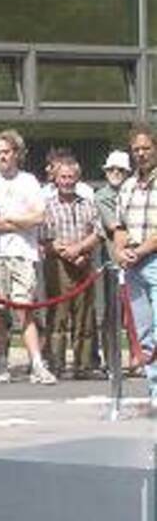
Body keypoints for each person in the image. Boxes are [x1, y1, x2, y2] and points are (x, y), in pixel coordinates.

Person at [0, 129, 55, 384]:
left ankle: (36, 364)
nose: (3, 157)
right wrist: (20, 222)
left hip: (24, 254)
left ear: (17, 154)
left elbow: (40, 216)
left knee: (25, 310)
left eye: (7, 152)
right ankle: (2, 363)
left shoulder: (29, 181)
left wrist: (11, 220)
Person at [41, 156, 101, 380]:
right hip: (58, 264)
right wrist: (66, 252)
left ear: (77, 178)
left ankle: (83, 365)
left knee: (84, 315)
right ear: (56, 179)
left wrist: (80, 250)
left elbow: (98, 232)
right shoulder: (47, 205)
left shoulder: (87, 204)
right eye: (63, 177)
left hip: (84, 263)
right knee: (58, 315)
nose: (67, 181)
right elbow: (43, 239)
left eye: (70, 177)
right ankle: (55, 364)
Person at [115, 123, 157, 410]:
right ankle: (154, 391)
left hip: (153, 260)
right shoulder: (128, 186)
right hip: (133, 267)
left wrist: (139, 251)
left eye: (146, 148)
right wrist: (120, 250)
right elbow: (119, 226)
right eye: (136, 149)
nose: (141, 154)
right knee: (143, 333)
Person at [94, 149, 131, 371]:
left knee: (136, 313)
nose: (116, 173)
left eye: (120, 170)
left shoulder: (136, 191)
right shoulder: (101, 196)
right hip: (112, 262)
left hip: (139, 260)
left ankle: (139, 359)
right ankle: (111, 361)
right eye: (111, 169)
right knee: (112, 313)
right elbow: (115, 226)